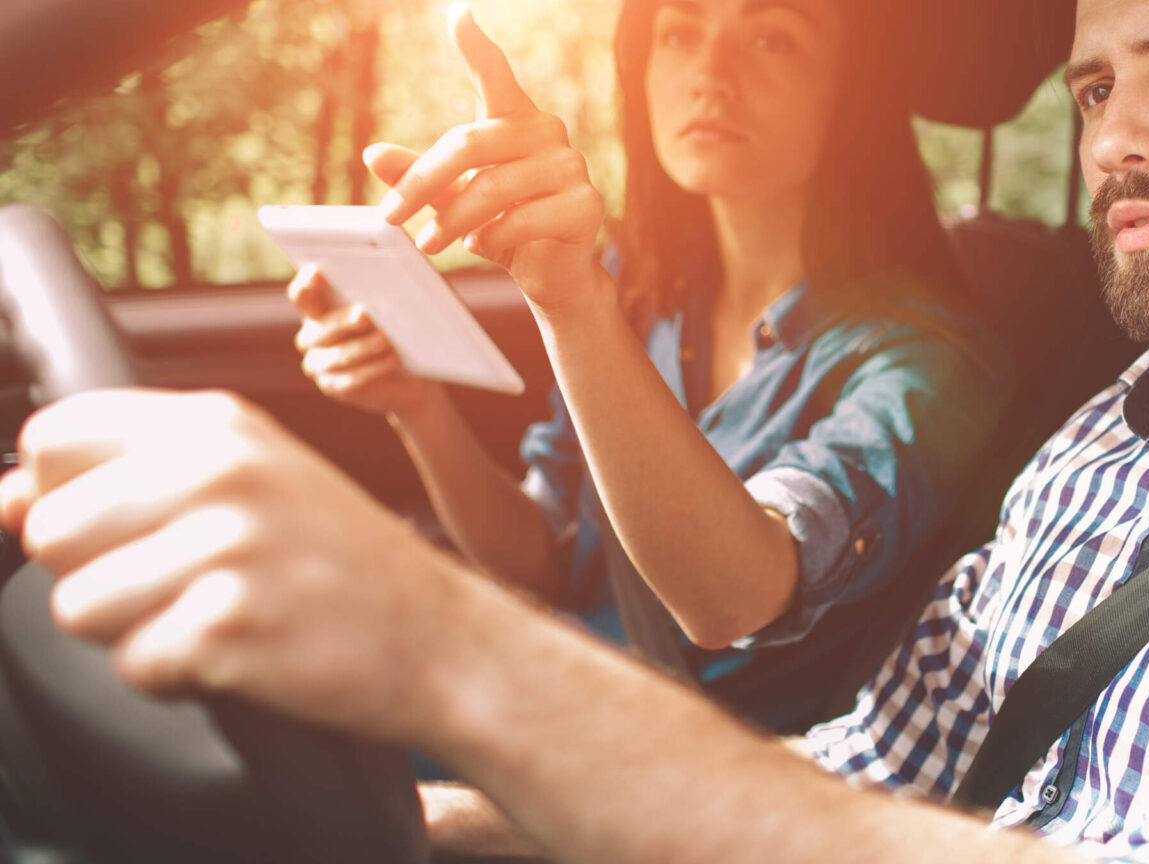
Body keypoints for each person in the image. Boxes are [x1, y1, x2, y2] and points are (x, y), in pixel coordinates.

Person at [0, 0, 1149, 860]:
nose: (1113, 135)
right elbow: (866, 765)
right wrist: (439, 807)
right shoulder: (1114, 445)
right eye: (1098, 86)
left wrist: (458, 663)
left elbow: (739, 614)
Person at [284, 0, 1004, 732]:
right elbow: (539, 559)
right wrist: (418, 408)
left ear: (851, 91)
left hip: (672, 780)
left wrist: (569, 305)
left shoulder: (928, 365)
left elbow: (735, 599)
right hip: (542, 693)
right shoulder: (641, 291)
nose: (709, 76)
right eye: (680, 33)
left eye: (769, 37)